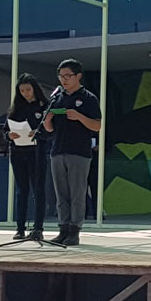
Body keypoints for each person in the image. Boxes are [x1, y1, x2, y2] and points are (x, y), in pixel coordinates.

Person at [43, 59, 102, 246]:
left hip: (79, 152)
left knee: (77, 193)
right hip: (57, 150)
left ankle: (74, 230)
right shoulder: (56, 98)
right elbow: (50, 130)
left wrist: (79, 117)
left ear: (78, 76)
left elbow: (97, 125)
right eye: (61, 76)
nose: (64, 80)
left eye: (68, 76)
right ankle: (63, 229)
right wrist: (47, 121)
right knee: (61, 194)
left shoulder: (88, 98)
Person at [4, 73, 50, 240]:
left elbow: (50, 130)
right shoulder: (17, 107)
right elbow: (5, 130)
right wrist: (9, 135)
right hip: (18, 152)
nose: (25, 93)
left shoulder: (44, 106)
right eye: (22, 90)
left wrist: (38, 132)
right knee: (21, 190)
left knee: (38, 190)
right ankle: (20, 228)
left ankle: (38, 228)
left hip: (36, 152)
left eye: (28, 90)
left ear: (34, 89)